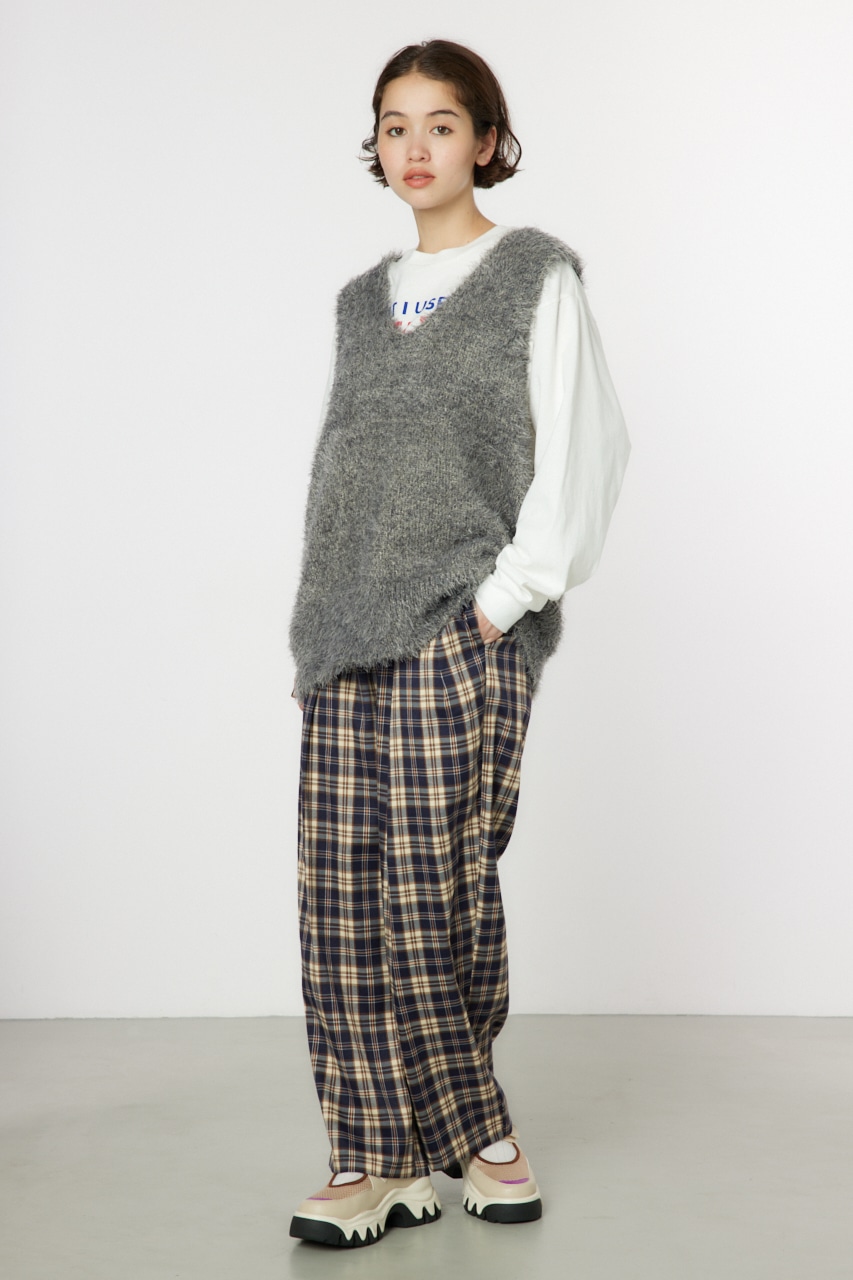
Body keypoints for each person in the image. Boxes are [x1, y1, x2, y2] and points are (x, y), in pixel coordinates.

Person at [287, 38, 630, 1249]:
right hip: (343, 637)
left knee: (438, 888)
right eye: (394, 126)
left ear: (485, 140)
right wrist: (318, 617)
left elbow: (586, 450)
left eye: (440, 124)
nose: (414, 147)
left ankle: (477, 1131)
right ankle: (373, 1155)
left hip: (458, 631)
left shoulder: (535, 275)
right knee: (339, 902)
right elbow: (348, 472)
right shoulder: (359, 300)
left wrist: (502, 601)